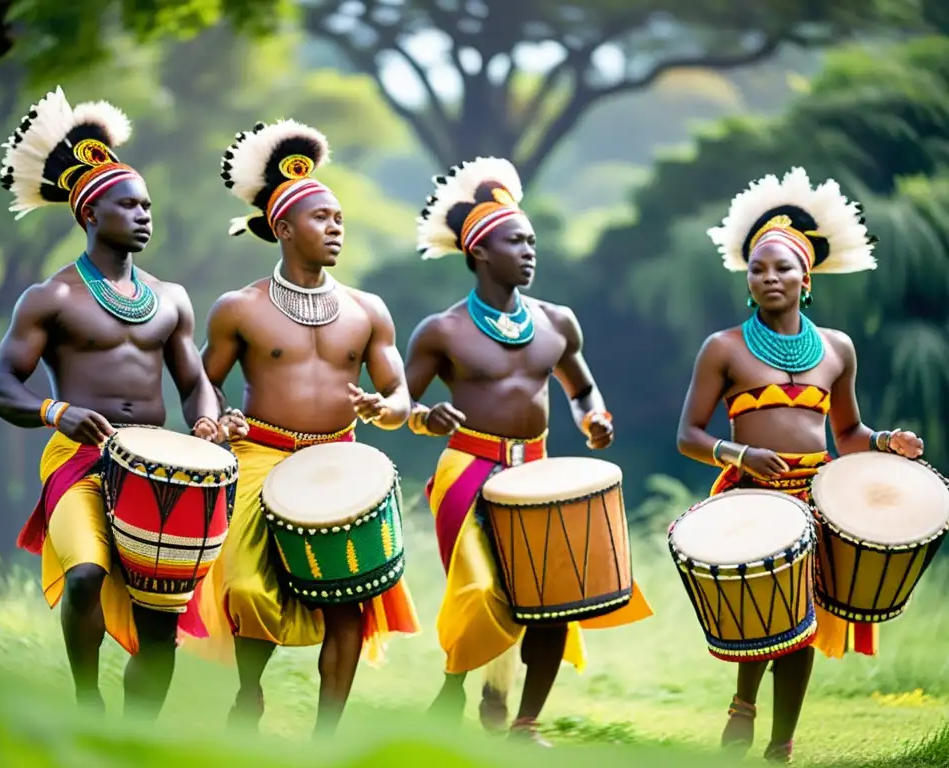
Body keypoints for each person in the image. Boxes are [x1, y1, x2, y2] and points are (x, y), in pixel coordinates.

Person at [0, 87, 245, 717]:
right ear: (90, 215)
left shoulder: (172, 297)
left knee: (161, 623)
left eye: (148, 205)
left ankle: (138, 738)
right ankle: (85, 702)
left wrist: (207, 420)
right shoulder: (50, 298)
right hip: (76, 460)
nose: (144, 215)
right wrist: (56, 412)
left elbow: (191, 382)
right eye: (129, 204)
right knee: (85, 576)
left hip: (159, 465)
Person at [676, 167, 925, 764]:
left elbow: (845, 432)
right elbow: (688, 435)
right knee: (757, 616)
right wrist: (740, 455)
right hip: (749, 494)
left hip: (816, 495)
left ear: (805, 278)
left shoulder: (838, 348)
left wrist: (887, 441)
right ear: (748, 280)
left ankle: (781, 745)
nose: (769, 278)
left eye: (782, 267)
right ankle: (742, 706)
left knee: (800, 622)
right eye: (758, 269)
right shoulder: (724, 348)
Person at [181, 119, 420, 737]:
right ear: (283, 228)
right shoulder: (241, 307)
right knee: (245, 588)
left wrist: (387, 410)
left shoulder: (370, 311)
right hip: (261, 456)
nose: (337, 226)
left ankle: (325, 739)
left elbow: (398, 393)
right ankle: (247, 693)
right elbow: (203, 380)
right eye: (322, 218)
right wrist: (213, 420)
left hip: (341, 461)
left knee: (350, 603)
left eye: (341, 217)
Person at [403, 156, 654, 745]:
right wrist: (424, 416)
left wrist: (594, 418)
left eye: (532, 240)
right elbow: (399, 407)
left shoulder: (558, 322)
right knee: (477, 591)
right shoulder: (442, 331)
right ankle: (453, 686)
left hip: (537, 471)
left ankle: (522, 722)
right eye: (516, 241)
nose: (530, 251)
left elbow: (582, 387)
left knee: (554, 597)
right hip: (467, 468)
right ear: (481, 252)